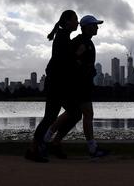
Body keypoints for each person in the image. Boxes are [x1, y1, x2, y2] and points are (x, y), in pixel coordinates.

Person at [46, 15, 109, 158]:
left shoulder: (87, 42)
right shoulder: (80, 42)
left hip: (83, 84)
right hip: (78, 85)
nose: (97, 27)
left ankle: (51, 139)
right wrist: (84, 69)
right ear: (86, 27)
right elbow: (71, 61)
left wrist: (89, 71)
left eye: (97, 25)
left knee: (75, 114)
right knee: (84, 114)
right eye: (94, 25)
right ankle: (91, 148)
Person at [27, 10, 83, 163]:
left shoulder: (63, 37)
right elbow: (66, 60)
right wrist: (77, 53)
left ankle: (48, 144)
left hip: (58, 84)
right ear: (67, 22)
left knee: (70, 114)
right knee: (62, 115)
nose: (77, 22)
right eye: (75, 19)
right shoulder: (62, 37)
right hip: (57, 85)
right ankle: (38, 147)